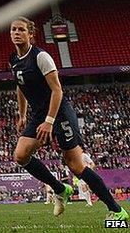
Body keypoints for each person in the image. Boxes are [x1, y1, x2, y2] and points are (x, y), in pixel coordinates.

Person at [8, 17, 128, 221]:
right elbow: (20, 86)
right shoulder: (13, 59)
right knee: (20, 155)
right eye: (13, 29)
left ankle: (117, 211)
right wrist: (22, 114)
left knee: (76, 166)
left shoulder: (41, 57)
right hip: (38, 114)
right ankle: (60, 188)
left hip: (59, 112)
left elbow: (57, 90)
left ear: (31, 34)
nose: (17, 33)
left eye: (21, 30)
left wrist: (49, 120)